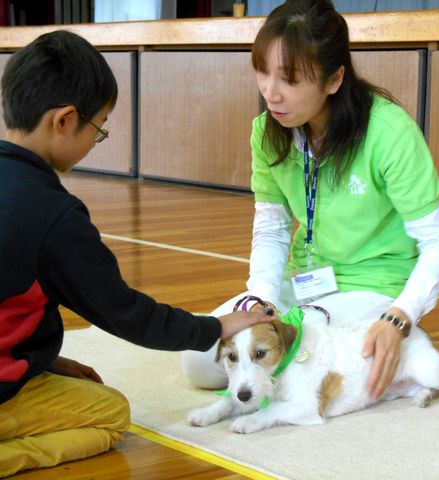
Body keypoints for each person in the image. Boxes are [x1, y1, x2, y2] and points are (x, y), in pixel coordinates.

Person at [0, 30, 273, 478]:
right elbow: (126, 314)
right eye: (99, 127)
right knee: (109, 414)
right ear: (65, 120)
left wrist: (43, 362)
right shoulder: (54, 215)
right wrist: (216, 326)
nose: (96, 139)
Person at [182, 0, 439, 402]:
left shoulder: (389, 132)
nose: (270, 93)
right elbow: (272, 229)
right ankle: (364, 348)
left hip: (374, 286)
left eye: (289, 80)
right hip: (305, 284)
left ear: (334, 80)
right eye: (263, 72)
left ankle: (394, 336)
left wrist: (400, 316)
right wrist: (263, 301)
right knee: (199, 359)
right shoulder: (266, 132)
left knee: (299, 355)